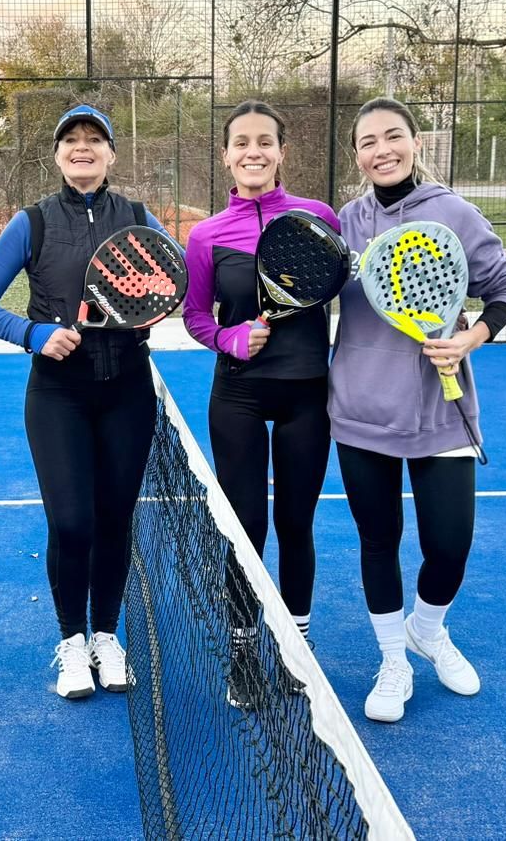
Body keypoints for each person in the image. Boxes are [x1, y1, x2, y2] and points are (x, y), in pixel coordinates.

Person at [0, 103, 170, 700]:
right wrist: (34, 334)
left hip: (129, 390)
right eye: (71, 139)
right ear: (57, 155)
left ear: (110, 153)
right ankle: (72, 643)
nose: (83, 147)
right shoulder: (33, 222)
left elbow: (173, 280)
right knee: (72, 521)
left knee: (114, 520)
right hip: (57, 395)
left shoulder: (136, 216)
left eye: (95, 139)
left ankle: (107, 635)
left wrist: (152, 307)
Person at [329, 97, 506, 723]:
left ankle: (429, 628)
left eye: (393, 137)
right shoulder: (345, 222)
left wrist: (471, 337)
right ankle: (393, 659)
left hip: (443, 412)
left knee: (449, 545)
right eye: (367, 142)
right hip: (360, 408)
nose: (381, 150)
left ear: (415, 142)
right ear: (356, 155)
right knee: (377, 540)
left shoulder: (454, 213)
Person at [182, 99, 340, 708]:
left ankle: (296, 647)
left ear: (282, 152)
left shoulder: (316, 216)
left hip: (307, 393)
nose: (254, 152)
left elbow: (338, 286)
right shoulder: (206, 235)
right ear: (226, 155)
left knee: (295, 524)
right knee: (245, 529)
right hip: (239, 395)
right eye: (241, 142)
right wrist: (230, 337)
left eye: (265, 141)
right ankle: (245, 650)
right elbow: (197, 315)